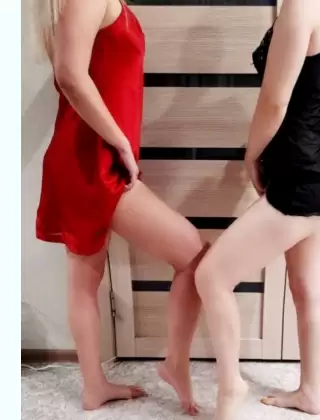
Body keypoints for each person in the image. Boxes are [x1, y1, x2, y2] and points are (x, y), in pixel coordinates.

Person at [34, 0, 207, 415]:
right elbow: (70, 74)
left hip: (86, 158)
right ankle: (174, 365)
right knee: (194, 256)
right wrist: (121, 143)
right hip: (94, 163)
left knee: (84, 281)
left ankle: (94, 387)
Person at [194, 0, 320, 418]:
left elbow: (273, 102)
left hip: (301, 182)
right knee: (307, 291)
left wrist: (253, 155)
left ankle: (230, 390)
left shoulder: (301, 5)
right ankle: (311, 393)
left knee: (210, 276)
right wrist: (305, 130)